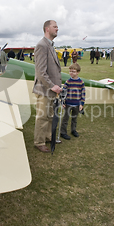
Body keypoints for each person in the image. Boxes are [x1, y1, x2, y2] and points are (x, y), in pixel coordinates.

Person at [32, 20, 62, 153]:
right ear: (47, 29)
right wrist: (52, 86)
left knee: (50, 116)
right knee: (42, 116)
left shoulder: (50, 45)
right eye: (55, 26)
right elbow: (40, 72)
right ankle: (39, 142)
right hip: (44, 89)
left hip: (50, 90)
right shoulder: (42, 45)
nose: (57, 28)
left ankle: (48, 137)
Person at [60, 63, 85, 140]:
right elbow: (63, 93)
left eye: (73, 71)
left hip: (77, 104)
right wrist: (62, 102)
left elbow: (83, 94)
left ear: (78, 72)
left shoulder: (81, 82)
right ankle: (63, 132)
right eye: (70, 71)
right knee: (65, 119)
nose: (71, 73)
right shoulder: (67, 82)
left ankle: (73, 130)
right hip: (68, 104)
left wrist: (81, 104)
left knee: (74, 118)